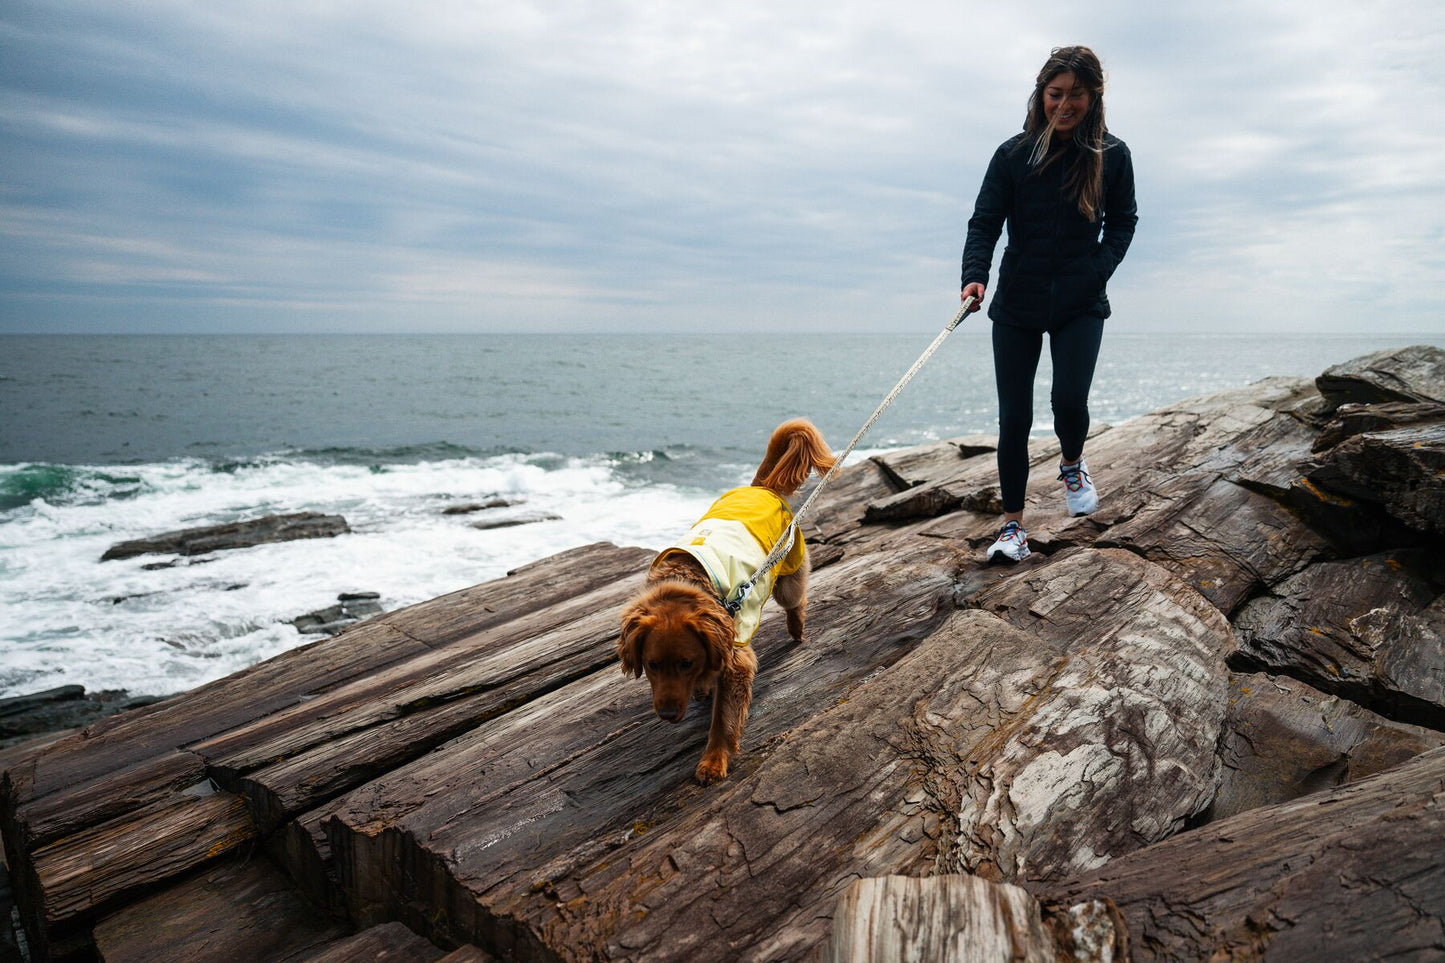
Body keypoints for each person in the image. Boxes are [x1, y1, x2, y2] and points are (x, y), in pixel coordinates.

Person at [959, 45, 1137, 564]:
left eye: (1074, 95)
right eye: (1054, 94)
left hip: (1080, 300)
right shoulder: (1013, 154)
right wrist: (975, 277)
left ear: (1092, 97)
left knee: (1069, 401)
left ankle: (1073, 463)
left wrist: (1095, 271)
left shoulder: (1113, 154)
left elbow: (1123, 222)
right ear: (1040, 95)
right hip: (1017, 298)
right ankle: (1012, 527)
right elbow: (984, 222)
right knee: (1014, 417)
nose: (1063, 104)